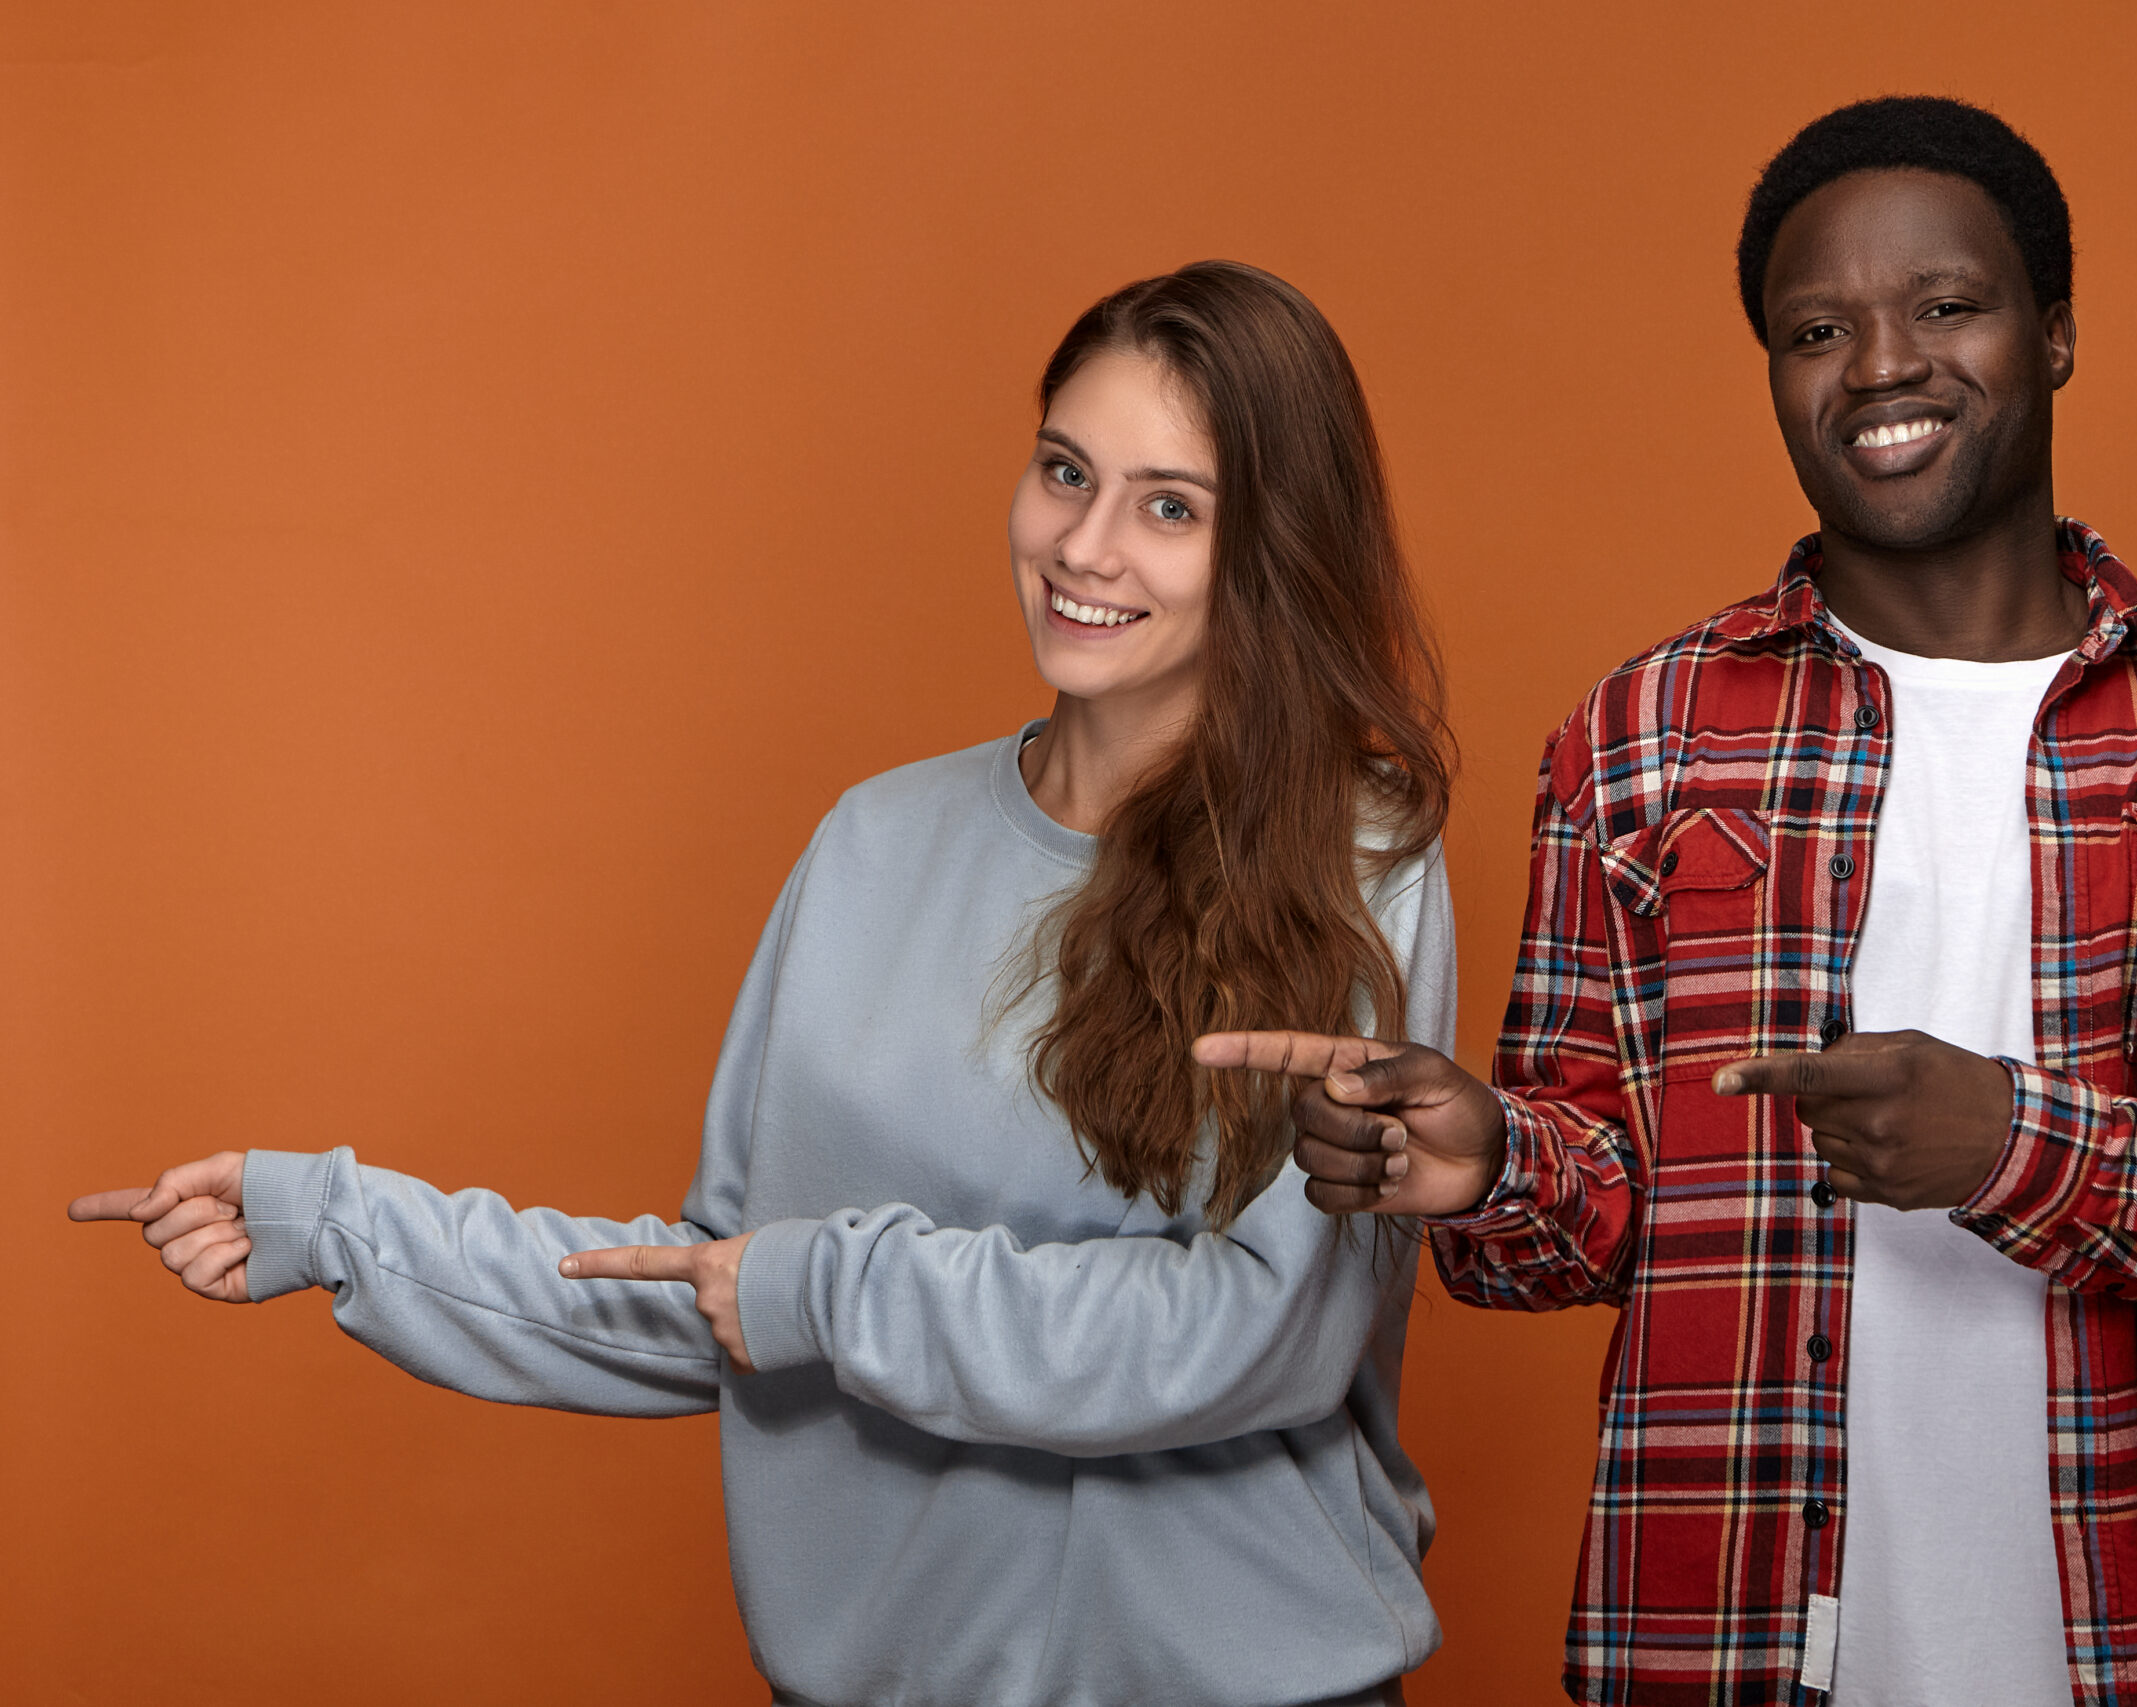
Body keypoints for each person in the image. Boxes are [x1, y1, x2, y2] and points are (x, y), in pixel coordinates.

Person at [73, 260, 1456, 1707]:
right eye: (1064, 472)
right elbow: (724, 1292)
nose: (1088, 546)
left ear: (1271, 549)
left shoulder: (1355, 859)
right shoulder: (871, 844)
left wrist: (825, 1287)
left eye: (1171, 506)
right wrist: (340, 1224)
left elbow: (1262, 1338)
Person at [1200, 98, 2137, 1707]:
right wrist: (1487, 1162)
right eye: (1818, 328)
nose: (1883, 363)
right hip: (1734, 1627)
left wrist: (2011, 1147)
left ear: (2053, 335)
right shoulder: (1641, 737)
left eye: (1948, 307)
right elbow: (1587, 1218)